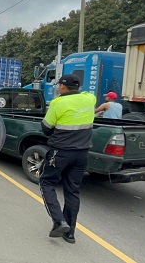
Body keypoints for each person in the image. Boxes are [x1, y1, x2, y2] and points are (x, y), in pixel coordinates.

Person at [40, 74, 95, 244]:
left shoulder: (58, 103)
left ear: (63, 87)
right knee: (72, 190)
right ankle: (70, 233)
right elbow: (87, 95)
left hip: (60, 152)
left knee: (46, 182)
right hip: (82, 154)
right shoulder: (90, 99)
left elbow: (46, 129)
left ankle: (59, 221)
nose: (58, 87)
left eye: (59, 85)